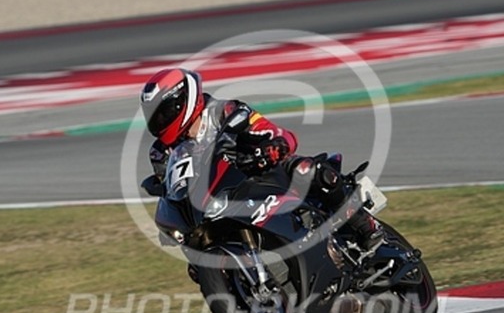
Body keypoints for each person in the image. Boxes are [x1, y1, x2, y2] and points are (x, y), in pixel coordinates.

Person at [139, 68, 382, 281]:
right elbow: (170, 188)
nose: (159, 120)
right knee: (196, 266)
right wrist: (171, 221)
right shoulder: (160, 153)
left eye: (163, 112)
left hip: (257, 172)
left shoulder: (225, 111)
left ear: (184, 100)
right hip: (212, 202)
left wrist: (270, 148)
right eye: (154, 115)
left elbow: (275, 133)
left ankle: (364, 225)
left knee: (308, 170)